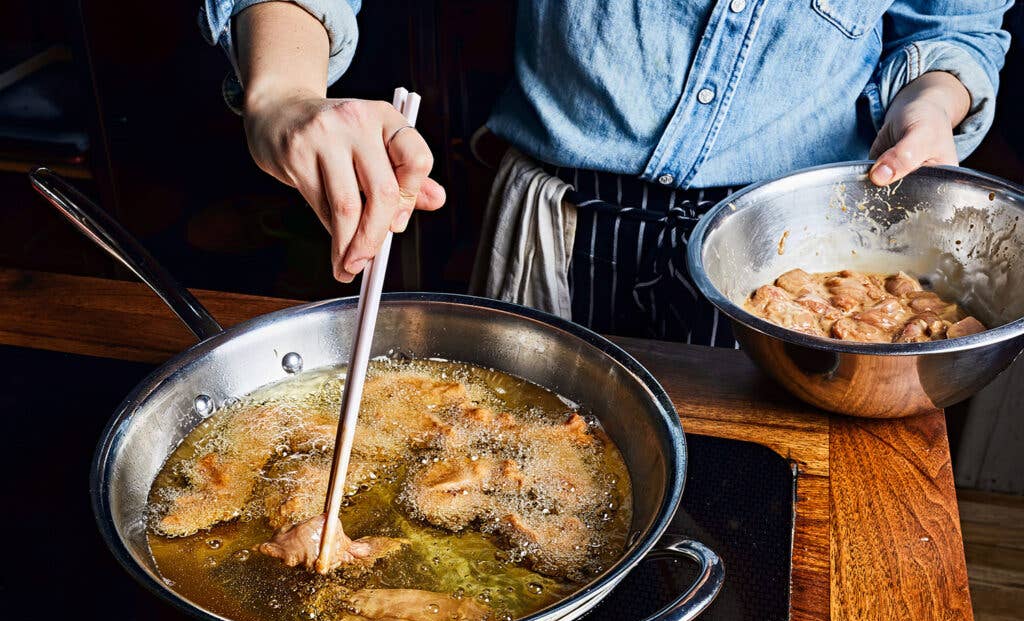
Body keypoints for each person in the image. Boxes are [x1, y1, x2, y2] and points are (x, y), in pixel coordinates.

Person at [199, 0, 1011, 346]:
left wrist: (932, 106)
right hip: (561, 221)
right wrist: (283, 90)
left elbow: (954, 24)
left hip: (793, 255)